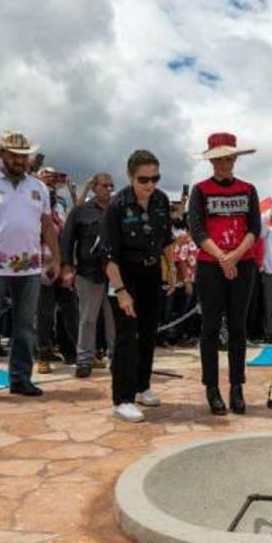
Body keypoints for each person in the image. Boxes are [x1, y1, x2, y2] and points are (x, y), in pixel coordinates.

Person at [0, 131, 60, 406]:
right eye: (14, 155)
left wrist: (56, 257)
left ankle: (20, 379)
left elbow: (47, 226)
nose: (20, 161)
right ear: (1, 155)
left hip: (29, 267)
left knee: (25, 326)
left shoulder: (38, 187)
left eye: (24, 156)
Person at [187, 132, 262, 415]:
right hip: (210, 265)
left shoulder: (248, 189)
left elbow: (254, 228)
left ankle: (236, 386)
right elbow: (197, 229)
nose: (225, 162)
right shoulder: (200, 190)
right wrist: (221, 257)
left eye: (229, 157)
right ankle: (212, 387)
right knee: (209, 327)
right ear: (211, 160)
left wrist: (234, 256)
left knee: (238, 327)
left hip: (242, 263)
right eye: (219, 158)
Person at [102, 150, 178, 422]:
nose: (150, 185)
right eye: (143, 179)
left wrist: (171, 272)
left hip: (151, 273)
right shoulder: (117, 205)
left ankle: (142, 386)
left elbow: (167, 240)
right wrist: (121, 292)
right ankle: (121, 399)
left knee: (148, 334)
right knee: (126, 338)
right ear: (130, 177)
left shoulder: (160, 200)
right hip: (124, 276)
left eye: (155, 178)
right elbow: (108, 255)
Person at [61, 173, 116, 378]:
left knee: (114, 319)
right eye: (104, 185)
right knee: (87, 318)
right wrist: (67, 267)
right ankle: (84, 359)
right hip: (88, 272)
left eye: (111, 186)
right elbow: (67, 240)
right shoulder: (80, 211)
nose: (109, 189)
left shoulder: (117, 209)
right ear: (94, 188)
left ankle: (116, 357)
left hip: (114, 273)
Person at [36, 166, 77, 372]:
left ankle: (79, 352)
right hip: (42, 267)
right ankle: (42, 355)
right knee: (44, 313)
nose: (51, 194)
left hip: (61, 265)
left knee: (70, 311)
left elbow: (67, 234)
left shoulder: (60, 210)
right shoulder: (32, 209)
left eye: (52, 192)